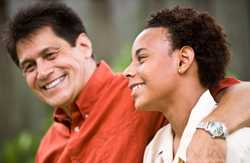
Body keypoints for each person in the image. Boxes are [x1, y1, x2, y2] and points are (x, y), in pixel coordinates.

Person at [2, 1, 250, 163]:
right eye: (29, 66)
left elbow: (241, 95)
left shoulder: (141, 91)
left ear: (85, 46)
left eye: (51, 55)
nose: (43, 72)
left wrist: (209, 131)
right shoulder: (47, 150)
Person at [124, 6, 250, 163]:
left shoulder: (238, 144)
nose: (126, 72)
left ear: (183, 60)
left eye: (142, 58)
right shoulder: (155, 148)